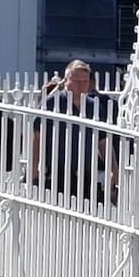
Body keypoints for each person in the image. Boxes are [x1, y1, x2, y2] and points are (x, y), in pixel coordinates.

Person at [31, 59, 115, 206]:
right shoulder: (51, 103)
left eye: (85, 81)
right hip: (55, 172)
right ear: (66, 80)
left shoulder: (94, 106)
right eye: (75, 81)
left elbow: (103, 141)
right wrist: (34, 166)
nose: (80, 85)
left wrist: (113, 168)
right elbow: (37, 137)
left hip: (86, 172)